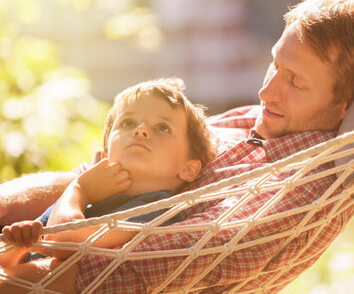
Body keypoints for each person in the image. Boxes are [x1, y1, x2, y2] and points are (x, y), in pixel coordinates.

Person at [0, 0, 354, 294]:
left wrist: (68, 214)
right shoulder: (260, 116)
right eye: (275, 64)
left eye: (296, 82)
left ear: (343, 104)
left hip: (72, 274)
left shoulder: (303, 183)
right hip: (60, 229)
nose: (266, 91)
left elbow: (177, 257)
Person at [0, 77, 215, 266]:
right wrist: (20, 242)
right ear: (104, 158)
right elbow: (7, 263)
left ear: (188, 169)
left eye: (162, 127)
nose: (140, 130)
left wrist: (79, 188)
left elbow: (65, 240)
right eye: (128, 122)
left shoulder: (156, 210)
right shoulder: (85, 203)